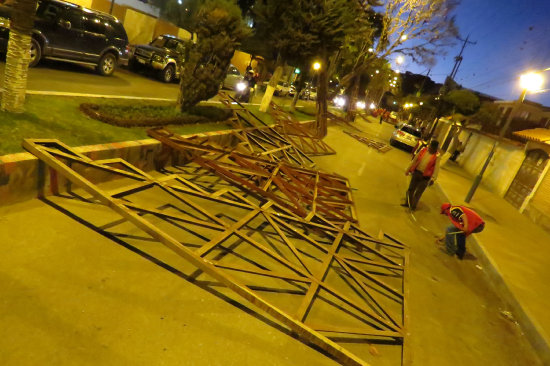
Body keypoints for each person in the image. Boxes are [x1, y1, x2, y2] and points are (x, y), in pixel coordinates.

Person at [402, 140, 440, 211]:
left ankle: (413, 206)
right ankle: (407, 203)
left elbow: (436, 168)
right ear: (430, 145)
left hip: (425, 177)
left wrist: (433, 179)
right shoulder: (423, 150)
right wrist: (408, 169)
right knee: (411, 189)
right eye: (431, 147)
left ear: (436, 148)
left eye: (434, 148)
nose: (431, 149)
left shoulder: (437, 156)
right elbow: (414, 160)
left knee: (418, 192)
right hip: (417, 172)